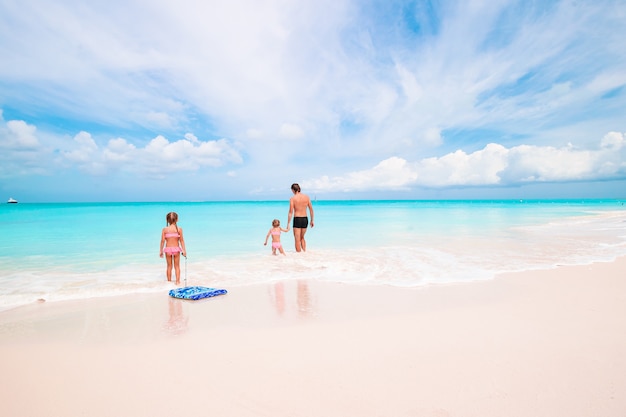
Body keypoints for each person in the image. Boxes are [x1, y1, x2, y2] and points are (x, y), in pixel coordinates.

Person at [159, 212, 187, 285]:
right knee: (177, 266)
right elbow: (181, 240)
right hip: (176, 249)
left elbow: (162, 241)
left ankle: (169, 282)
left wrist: (161, 251)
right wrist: (184, 250)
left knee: (169, 266)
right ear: (177, 220)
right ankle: (177, 282)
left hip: (168, 249)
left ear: (167, 220)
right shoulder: (179, 229)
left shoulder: (165, 229)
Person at [287, 183, 314, 252]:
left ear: (293, 190)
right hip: (305, 219)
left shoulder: (292, 198)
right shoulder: (307, 197)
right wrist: (312, 220)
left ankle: (298, 256)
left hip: (297, 219)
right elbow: (311, 209)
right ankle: (304, 253)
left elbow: (290, 212)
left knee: (297, 239)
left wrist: (288, 223)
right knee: (302, 237)